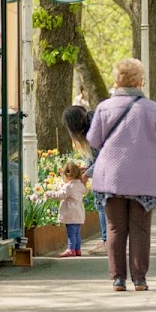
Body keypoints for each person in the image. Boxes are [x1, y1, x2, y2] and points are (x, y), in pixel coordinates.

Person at [87, 58, 156, 292]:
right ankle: (139, 279)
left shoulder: (104, 107)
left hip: (111, 175)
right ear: (139, 81)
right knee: (140, 229)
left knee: (115, 228)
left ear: (116, 80)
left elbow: (93, 140)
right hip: (143, 178)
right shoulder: (152, 108)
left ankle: (117, 278)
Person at [63, 105, 107, 255]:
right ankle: (107, 240)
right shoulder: (93, 125)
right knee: (101, 203)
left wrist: (87, 174)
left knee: (102, 204)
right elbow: (94, 158)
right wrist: (86, 168)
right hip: (109, 170)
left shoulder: (94, 131)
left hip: (112, 170)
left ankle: (108, 241)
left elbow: (104, 158)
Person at [46, 161, 88, 258]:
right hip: (79, 213)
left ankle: (71, 249)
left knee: (71, 233)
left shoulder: (68, 186)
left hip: (71, 213)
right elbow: (85, 191)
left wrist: (49, 193)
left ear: (67, 175)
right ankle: (77, 249)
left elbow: (60, 196)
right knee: (77, 233)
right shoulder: (80, 185)